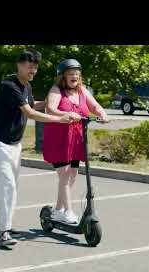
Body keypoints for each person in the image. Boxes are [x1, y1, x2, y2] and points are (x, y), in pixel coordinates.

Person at [0, 48, 79, 247]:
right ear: (19, 65)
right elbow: (30, 112)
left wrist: (53, 101)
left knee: (11, 186)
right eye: (30, 67)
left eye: (35, 68)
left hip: (14, 145)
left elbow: (33, 104)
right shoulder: (9, 85)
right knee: (8, 184)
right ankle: (4, 232)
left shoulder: (26, 86)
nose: (33, 71)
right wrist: (59, 118)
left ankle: (0, 224)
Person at [43, 59, 108, 224]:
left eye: (77, 74)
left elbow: (95, 106)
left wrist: (102, 113)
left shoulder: (82, 91)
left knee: (72, 176)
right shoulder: (56, 90)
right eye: (71, 73)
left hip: (76, 140)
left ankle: (58, 210)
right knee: (64, 176)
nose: (75, 76)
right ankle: (69, 212)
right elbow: (50, 108)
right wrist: (65, 115)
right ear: (62, 76)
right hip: (59, 140)